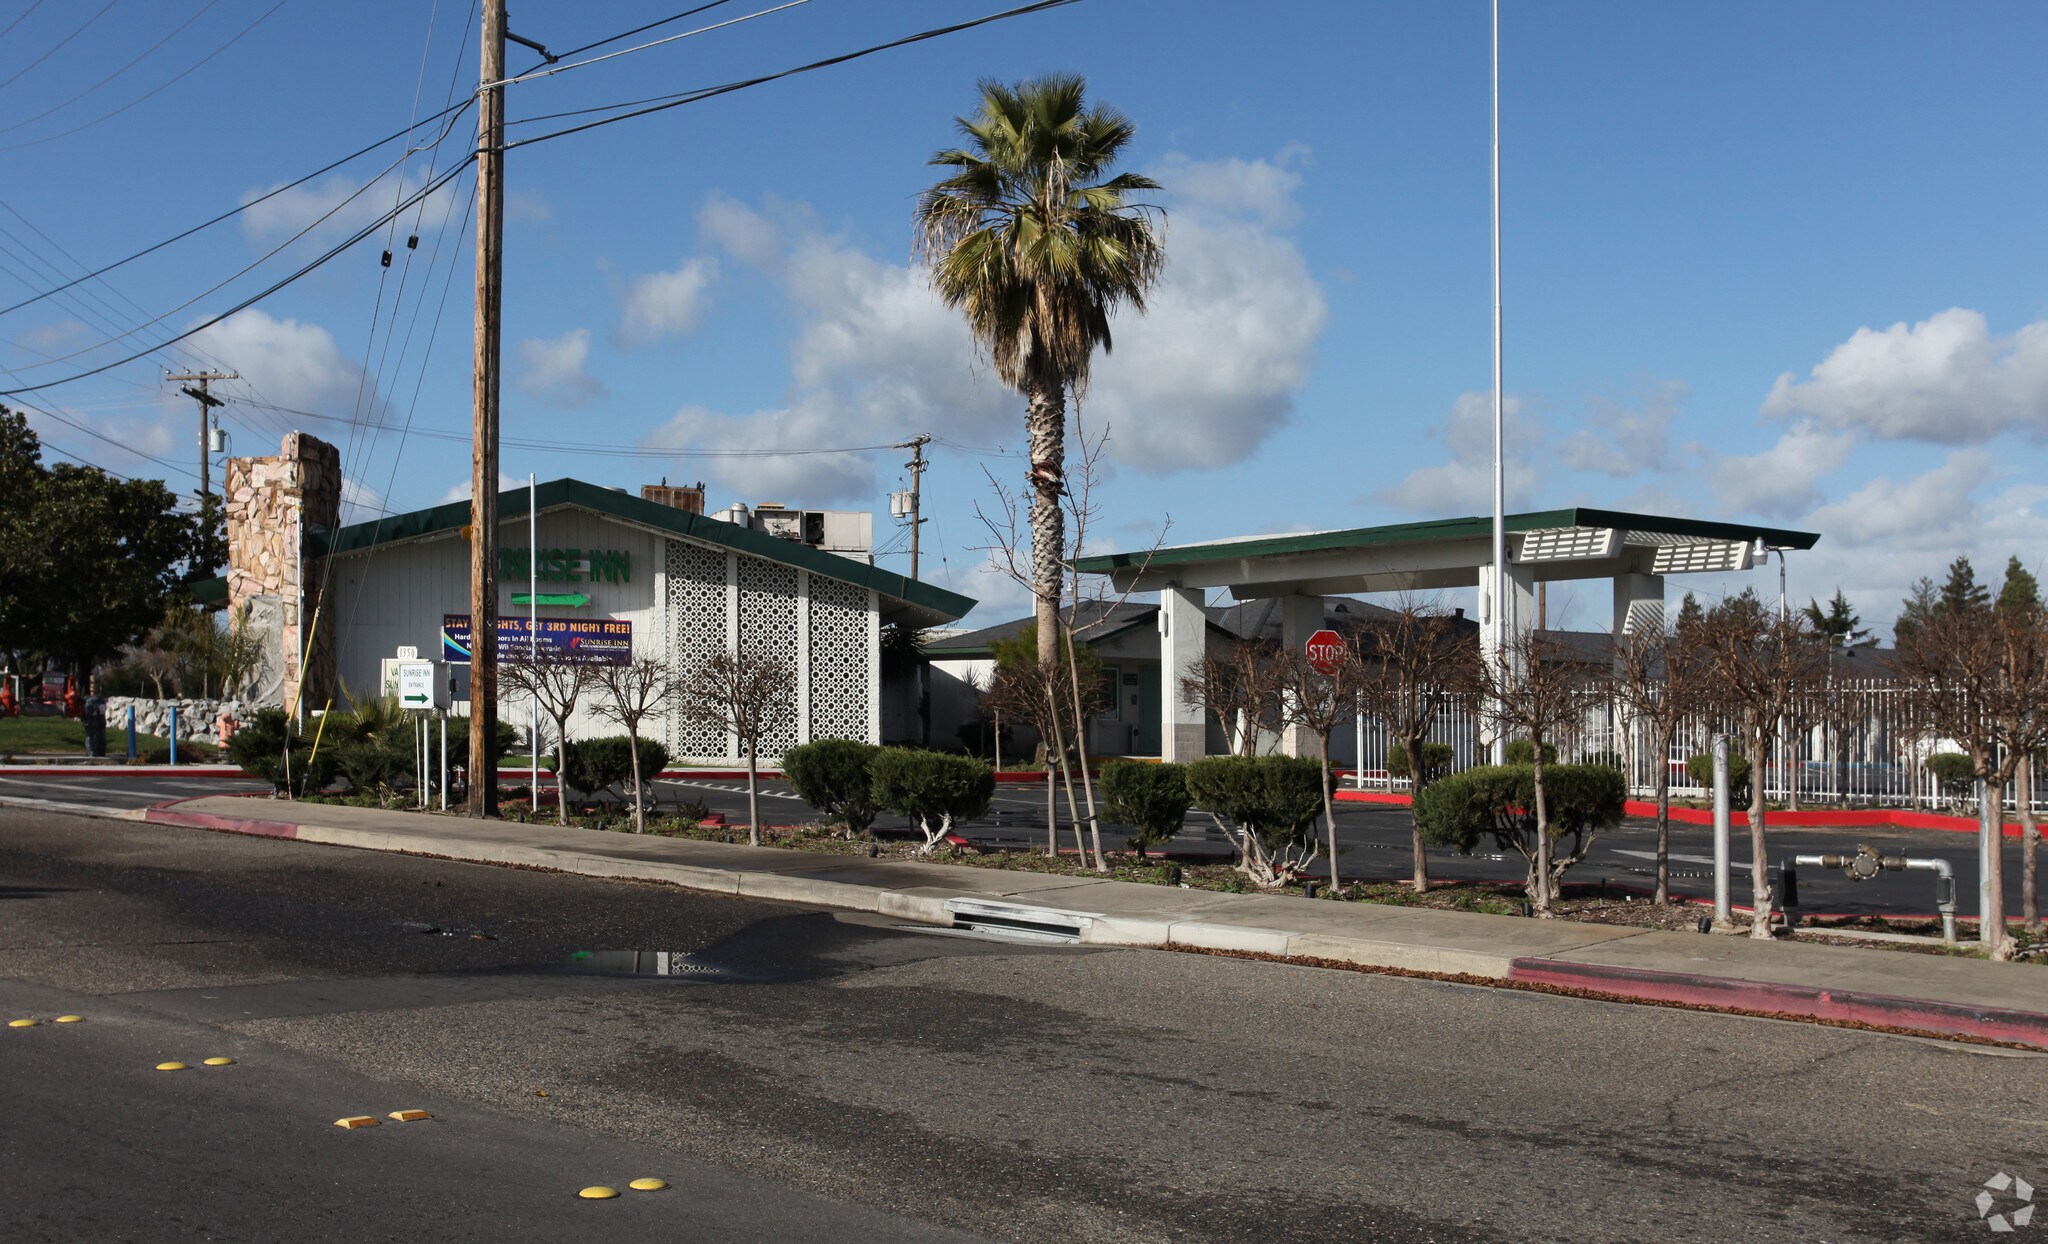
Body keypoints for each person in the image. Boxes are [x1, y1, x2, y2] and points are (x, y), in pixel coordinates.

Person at [82, 693, 107, 758]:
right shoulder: (99, 701)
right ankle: (93, 752)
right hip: (95, 724)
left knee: (96, 736)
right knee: (94, 736)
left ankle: (93, 752)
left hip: (95, 724)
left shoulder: (91, 701)